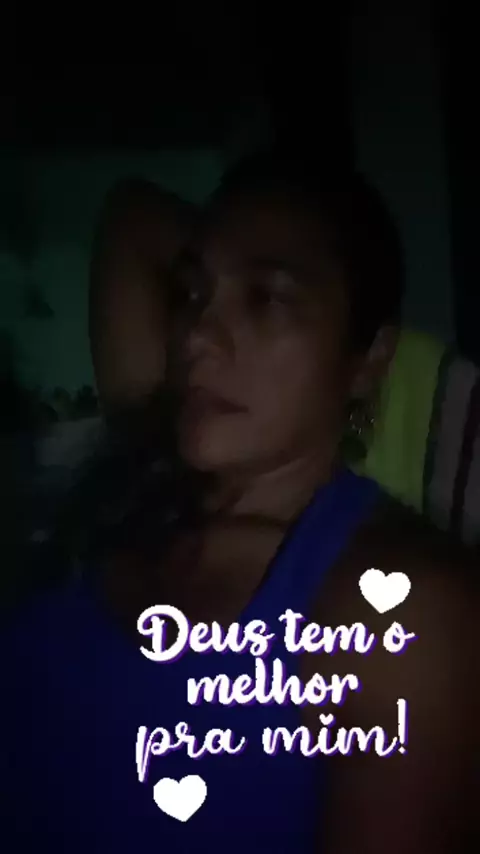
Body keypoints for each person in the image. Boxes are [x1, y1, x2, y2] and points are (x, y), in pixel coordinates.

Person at [1, 150, 476, 853]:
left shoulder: (403, 612)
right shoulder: (148, 465)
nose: (196, 336)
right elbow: (133, 215)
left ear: (370, 359)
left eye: (268, 300)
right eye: (190, 294)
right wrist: (252, 261)